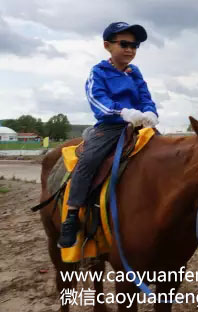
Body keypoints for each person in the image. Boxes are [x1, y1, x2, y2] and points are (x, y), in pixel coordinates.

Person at [57, 22, 159, 249]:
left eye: (134, 45)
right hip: (111, 127)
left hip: (139, 126)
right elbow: (97, 101)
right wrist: (122, 112)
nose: (130, 49)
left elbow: (145, 96)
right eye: (124, 44)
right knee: (89, 159)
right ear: (107, 45)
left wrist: (150, 111)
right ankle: (72, 215)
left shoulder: (136, 73)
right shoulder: (98, 72)